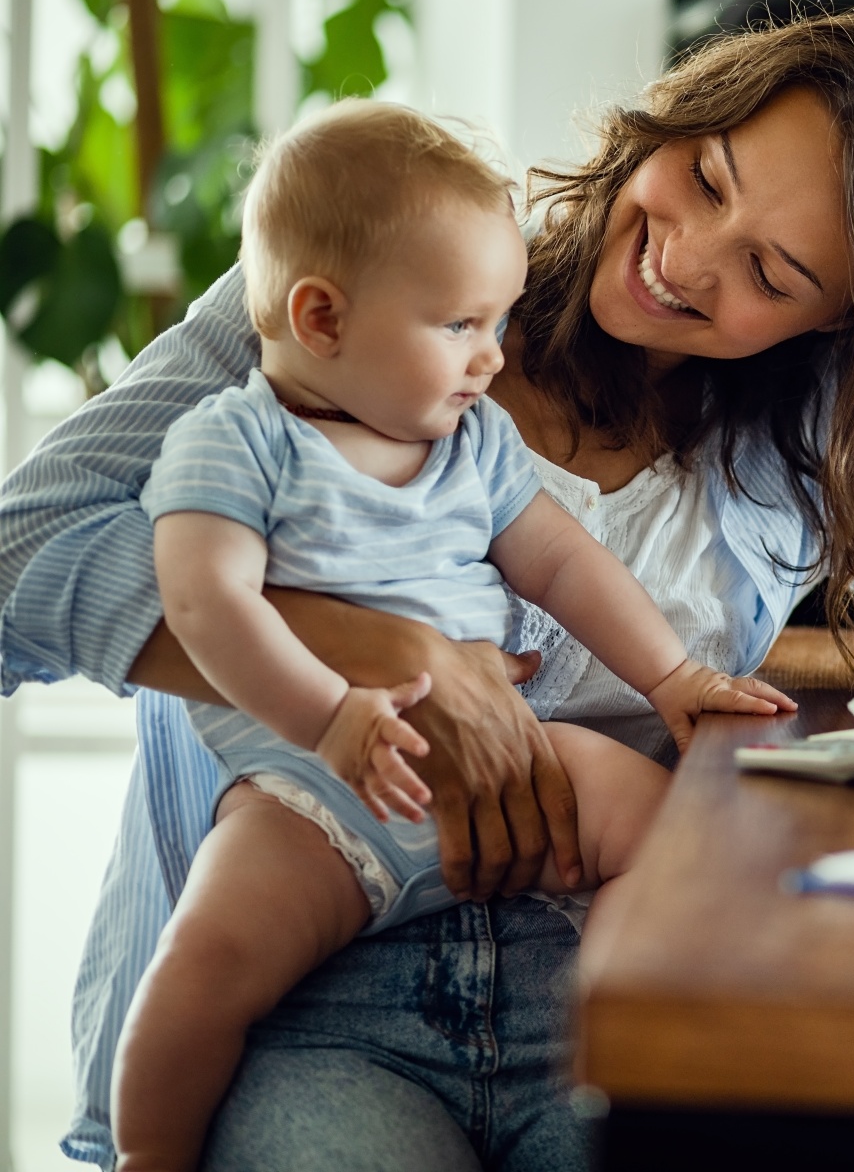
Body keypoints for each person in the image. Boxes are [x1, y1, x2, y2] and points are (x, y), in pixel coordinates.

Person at [0, 11, 854, 1170]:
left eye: (772, 273)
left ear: (840, 326)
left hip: (606, 980)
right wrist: (366, 645)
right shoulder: (372, 272)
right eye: (703, 179)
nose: (686, 258)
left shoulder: (794, 439)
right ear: (681, 117)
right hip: (304, 978)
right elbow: (20, 559)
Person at [111, 100, 794, 1171]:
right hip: (316, 792)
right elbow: (206, 608)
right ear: (323, 318)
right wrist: (332, 719)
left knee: (671, 828)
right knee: (208, 953)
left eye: (499, 319)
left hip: (510, 754)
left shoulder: (474, 441)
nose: (493, 354)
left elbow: (562, 560)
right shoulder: (235, 441)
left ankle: (608, 1032)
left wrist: (671, 674)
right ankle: (148, 1150)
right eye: (459, 325)